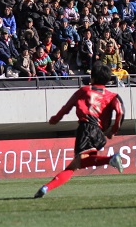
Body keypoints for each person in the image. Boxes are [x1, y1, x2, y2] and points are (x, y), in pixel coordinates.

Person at [34, 63, 125, 199]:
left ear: (92, 78)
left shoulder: (84, 91)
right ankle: (46, 188)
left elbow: (67, 107)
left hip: (86, 128)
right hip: (99, 133)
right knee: (76, 164)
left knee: (79, 163)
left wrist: (55, 119)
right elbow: (120, 112)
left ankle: (110, 159)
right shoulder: (113, 96)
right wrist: (113, 130)